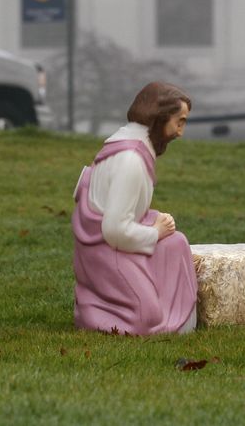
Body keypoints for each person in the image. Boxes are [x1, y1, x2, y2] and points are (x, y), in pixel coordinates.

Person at [71, 82, 198, 335]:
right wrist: (155, 232)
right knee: (145, 319)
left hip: (113, 243)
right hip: (105, 252)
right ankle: (92, 309)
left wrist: (154, 223)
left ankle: (178, 317)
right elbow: (115, 230)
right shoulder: (131, 160)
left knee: (177, 244)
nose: (180, 132)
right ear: (159, 119)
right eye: (179, 122)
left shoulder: (131, 147)